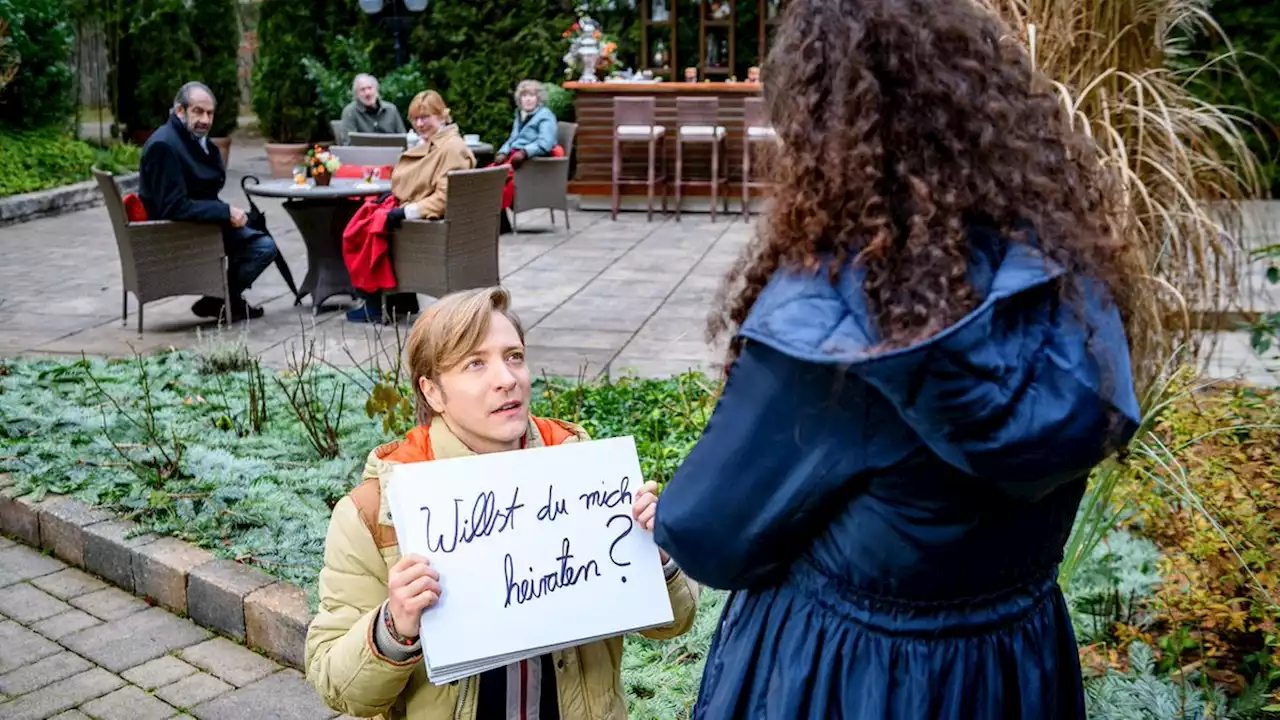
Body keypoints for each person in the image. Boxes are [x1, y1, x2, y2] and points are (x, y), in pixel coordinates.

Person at [646, 0, 1145, 718]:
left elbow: (710, 532)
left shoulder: (833, 330)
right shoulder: (1071, 283)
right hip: (1011, 669)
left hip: (846, 677)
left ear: (824, 132)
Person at [305, 286, 700, 719]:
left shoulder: (585, 477)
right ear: (433, 392)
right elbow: (337, 688)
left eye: (514, 356)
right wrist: (393, 627)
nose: (507, 378)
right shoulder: (375, 511)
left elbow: (675, 623)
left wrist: (658, 556)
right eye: (476, 363)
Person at [138, 81, 277, 321]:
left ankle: (223, 300)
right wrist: (224, 212)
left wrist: (227, 213)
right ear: (180, 111)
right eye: (198, 112)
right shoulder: (164, 146)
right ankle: (222, 300)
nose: (205, 119)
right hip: (180, 234)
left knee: (256, 231)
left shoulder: (189, 138)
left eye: (210, 113)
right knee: (262, 248)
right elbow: (173, 207)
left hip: (199, 223)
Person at [343, 90, 475, 324]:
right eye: (415, 119)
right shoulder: (438, 142)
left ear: (443, 116)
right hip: (421, 214)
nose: (420, 124)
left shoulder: (451, 148)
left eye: (426, 117)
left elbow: (445, 198)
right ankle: (398, 300)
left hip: (429, 224)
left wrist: (404, 211)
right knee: (364, 216)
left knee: (364, 229)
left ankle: (375, 304)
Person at [493, 80, 558, 170]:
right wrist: (502, 152)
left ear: (538, 99)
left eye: (532, 95)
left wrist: (524, 152)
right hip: (512, 157)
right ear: (520, 99)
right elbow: (513, 139)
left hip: (529, 161)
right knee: (486, 175)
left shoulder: (545, 115)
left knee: (497, 180)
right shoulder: (520, 114)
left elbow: (546, 143)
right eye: (524, 96)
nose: (528, 99)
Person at [340, 73, 407, 138]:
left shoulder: (391, 109)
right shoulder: (350, 112)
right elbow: (348, 143)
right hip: (363, 149)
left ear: (376, 89)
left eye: (370, 88)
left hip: (392, 149)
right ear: (357, 94)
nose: (367, 93)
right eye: (362, 89)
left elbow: (403, 137)